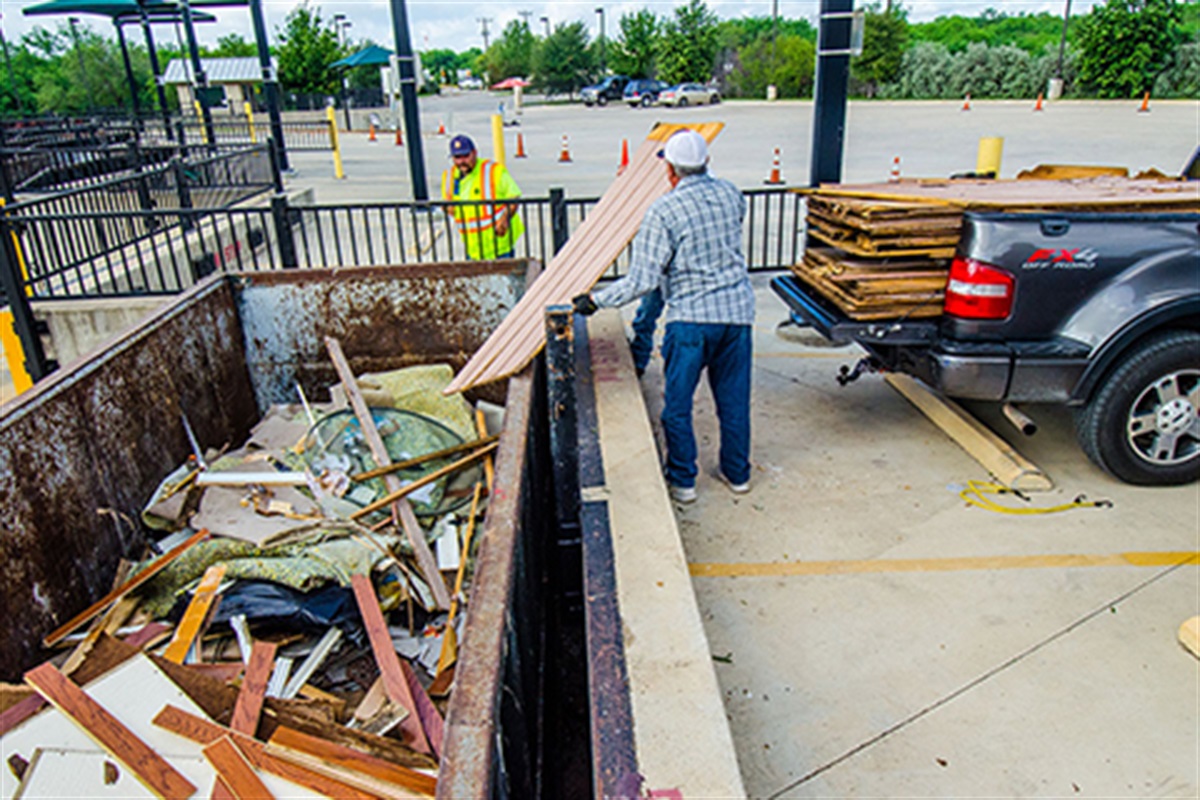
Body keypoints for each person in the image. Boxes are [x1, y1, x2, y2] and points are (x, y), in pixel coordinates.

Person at [573, 129, 755, 503]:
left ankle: (684, 482)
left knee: (677, 405)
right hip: (738, 316)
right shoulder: (732, 194)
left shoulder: (663, 211)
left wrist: (596, 301)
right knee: (734, 403)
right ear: (707, 162)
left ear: (670, 170)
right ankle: (738, 475)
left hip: (690, 320)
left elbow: (643, 279)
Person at [440, 134, 524, 260]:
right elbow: (449, 205)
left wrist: (505, 219)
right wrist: (447, 208)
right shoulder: (449, 177)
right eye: (457, 157)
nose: (462, 161)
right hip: (473, 248)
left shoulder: (493, 171)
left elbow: (514, 196)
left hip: (499, 245)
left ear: (474, 153)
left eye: (466, 156)